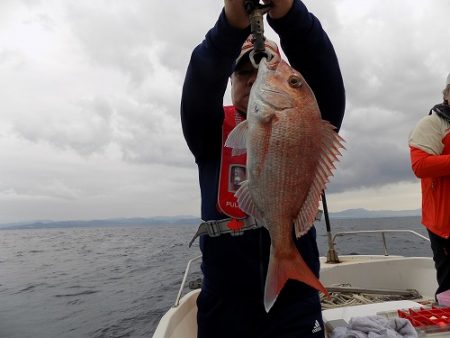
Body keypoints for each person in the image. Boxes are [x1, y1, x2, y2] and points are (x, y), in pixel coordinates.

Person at [181, 1, 345, 337]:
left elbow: (323, 71)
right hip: (225, 300)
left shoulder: (308, 118)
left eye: (266, 65)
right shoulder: (209, 131)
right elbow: (202, 81)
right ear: (229, 81)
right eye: (244, 70)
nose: (255, 76)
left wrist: (289, 14)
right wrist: (230, 25)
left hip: (295, 300)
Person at [409, 73, 450, 298]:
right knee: (448, 289)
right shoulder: (433, 124)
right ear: (446, 95)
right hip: (445, 225)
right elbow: (420, 165)